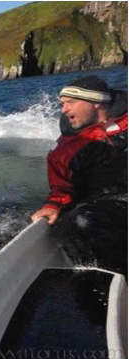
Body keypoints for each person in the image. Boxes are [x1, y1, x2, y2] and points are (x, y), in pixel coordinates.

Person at [31, 75, 127, 276]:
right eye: (62, 104)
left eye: (70, 103)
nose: (63, 110)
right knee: (77, 222)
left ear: (95, 103)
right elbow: (62, 187)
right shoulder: (66, 148)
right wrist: (53, 205)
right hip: (110, 207)